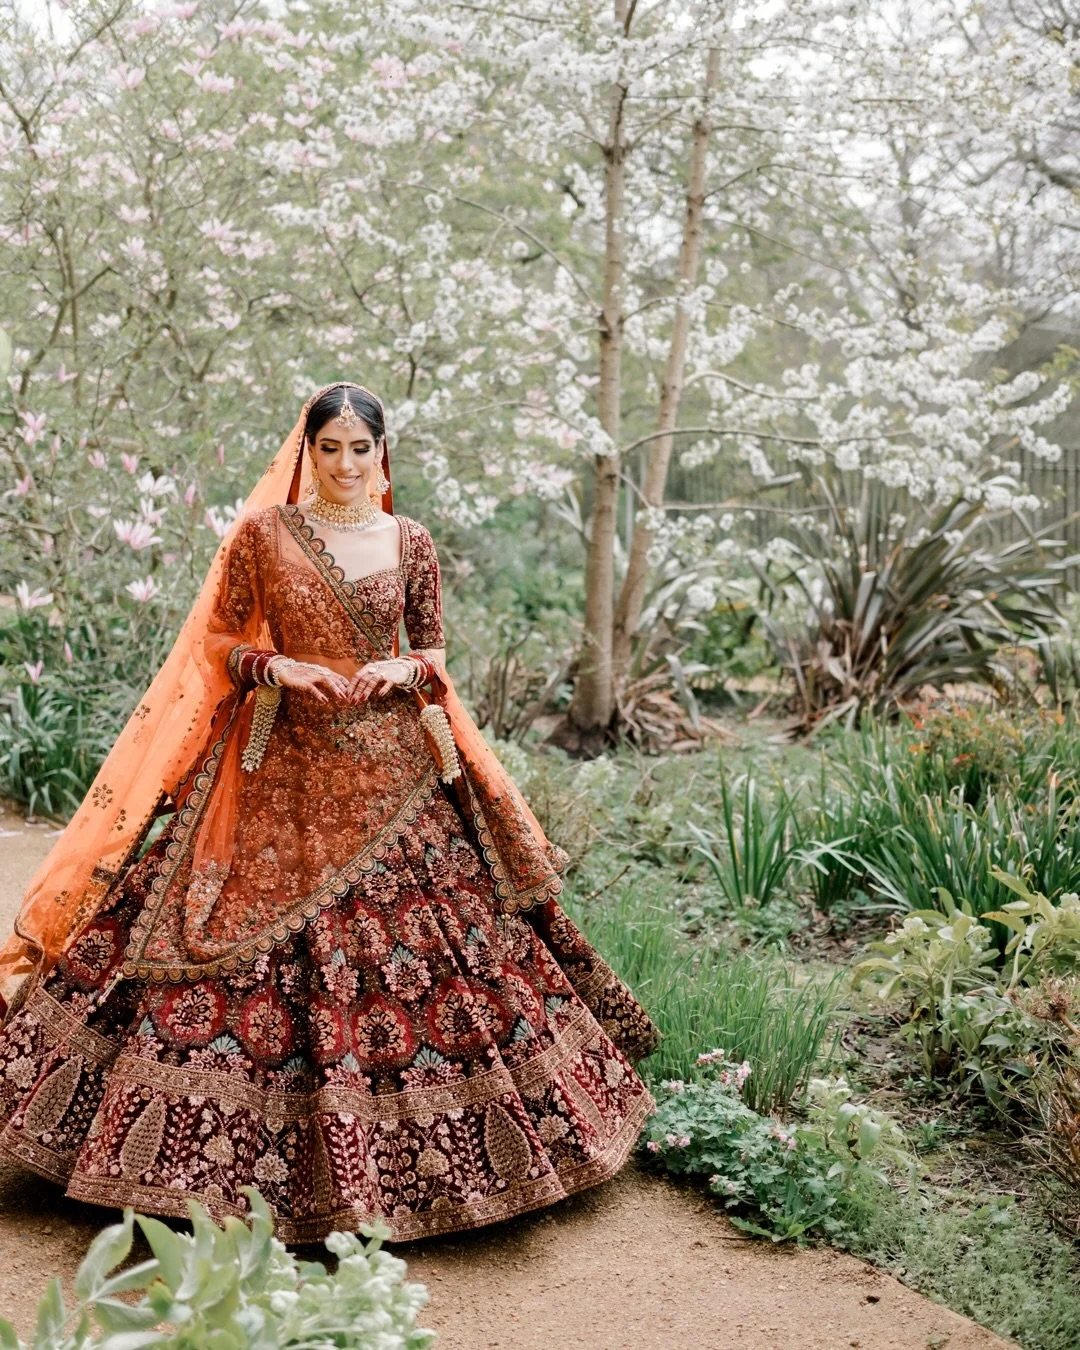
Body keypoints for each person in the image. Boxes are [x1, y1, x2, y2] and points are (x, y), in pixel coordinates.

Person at [0, 382, 657, 1242]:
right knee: (199, 928)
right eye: (329, 449)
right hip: (280, 764)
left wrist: (403, 672)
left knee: (447, 944)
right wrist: (276, 669)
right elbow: (218, 641)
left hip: (393, 773)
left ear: (383, 453)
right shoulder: (263, 536)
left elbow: (432, 647)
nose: (346, 465)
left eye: (361, 449)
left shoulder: (410, 541)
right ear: (306, 451)